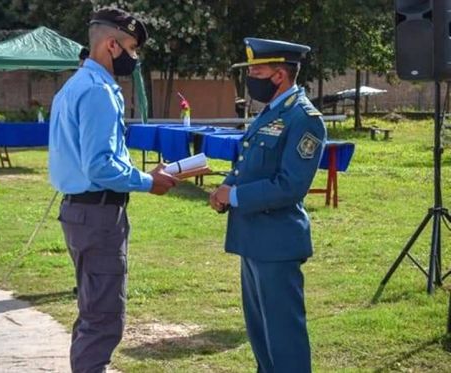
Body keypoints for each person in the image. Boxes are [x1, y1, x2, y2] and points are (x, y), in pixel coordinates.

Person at [48, 7, 178, 373]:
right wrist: (148, 181)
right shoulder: (99, 91)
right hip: (98, 214)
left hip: (80, 211)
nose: (134, 57)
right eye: (132, 48)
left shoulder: (73, 86)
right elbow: (102, 166)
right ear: (111, 45)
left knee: (93, 311)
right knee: (104, 319)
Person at [209, 38, 326, 373]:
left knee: (284, 339)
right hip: (252, 238)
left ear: (279, 75)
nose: (251, 77)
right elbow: (248, 162)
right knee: (261, 337)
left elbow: (290, 185)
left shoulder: (304, 118)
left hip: (277, 241)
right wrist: (228, 185)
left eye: (257, 70)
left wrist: (234, 196)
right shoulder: (271, 112)